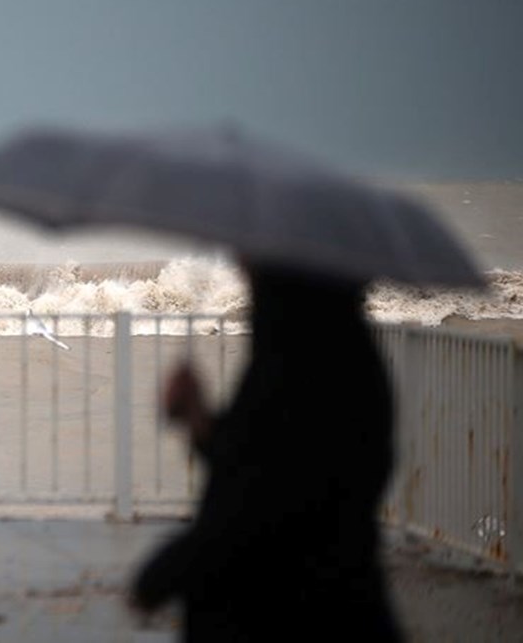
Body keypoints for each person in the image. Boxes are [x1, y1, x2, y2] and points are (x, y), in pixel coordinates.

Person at [128, 262, 404, 642]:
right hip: (337, 603)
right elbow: (257, 456)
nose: (245, 271)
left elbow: (262, 510)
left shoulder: (302, 366)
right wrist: (198, 418)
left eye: (256, 266)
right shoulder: (338, 354)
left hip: (285, 613)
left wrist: (162, 575)